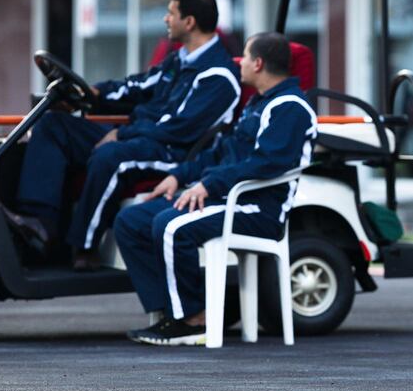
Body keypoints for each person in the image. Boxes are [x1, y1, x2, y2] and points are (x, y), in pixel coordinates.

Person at [7, 0, 241, 271]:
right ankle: (40, 225)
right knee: (54, 125)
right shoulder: (179, 60)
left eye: (171, 13)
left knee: (113, 156)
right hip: (145, 136)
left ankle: (84, 247)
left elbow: (180, 128)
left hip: (177, 154)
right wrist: (94, 94)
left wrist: (122, 133)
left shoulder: (218, 76)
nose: (166, 19)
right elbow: (137, 87)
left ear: (189, 22)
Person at [114, 32, 317, 346]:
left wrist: (209, 184)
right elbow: (220, 154)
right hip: (225, 199)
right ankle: (170, 312)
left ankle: (194, 322)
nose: (240, 63)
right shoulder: (258, 104)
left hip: (257, 209)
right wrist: (178, 176)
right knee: (131, 221)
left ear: (259, 64)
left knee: (171, 227)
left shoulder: (290, 107)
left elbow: (266, 163)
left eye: (246, 57)